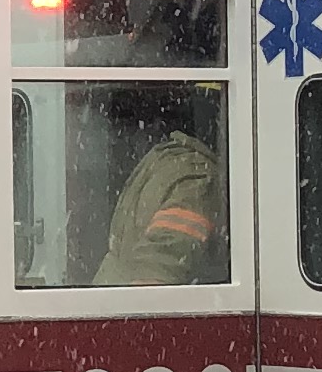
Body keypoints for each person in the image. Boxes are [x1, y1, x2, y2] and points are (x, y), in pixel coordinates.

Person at [92, 97, 228, 286]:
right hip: (130, 301)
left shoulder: (164, 160)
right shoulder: (197, 178)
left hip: (110, 296)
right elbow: (155, 275)